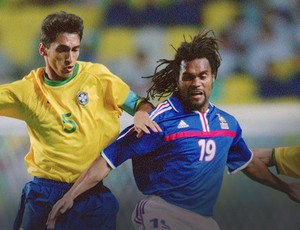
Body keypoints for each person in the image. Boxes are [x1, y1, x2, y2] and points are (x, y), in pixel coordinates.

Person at [46, 30, 300, 230]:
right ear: (178, 79)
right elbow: (109, 159)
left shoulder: (227, 124)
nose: (196, 83)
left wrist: (285, 187)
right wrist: (71, 195)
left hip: (203, 222)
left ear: (214, 77)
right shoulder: (158, 121)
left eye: (202, 75)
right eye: (188, 77)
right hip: (160, 212)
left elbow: (247, 163)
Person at [0, 11, 161, 230]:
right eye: (62, 49)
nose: (70, 58)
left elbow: (141, 104)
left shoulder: (98, 77)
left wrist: (142, 111)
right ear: (43, 50)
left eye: (75, 49)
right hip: (45, 194)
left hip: (91, 194)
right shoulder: (27, 91)